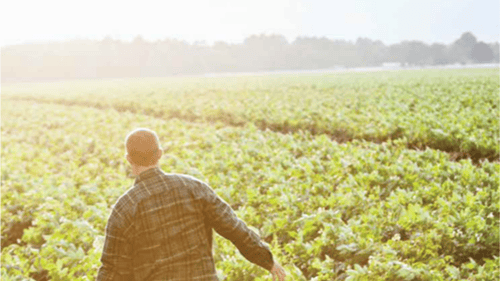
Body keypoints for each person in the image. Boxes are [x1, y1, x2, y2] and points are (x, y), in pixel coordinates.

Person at [97, 128, 286, 281]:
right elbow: (233, 227)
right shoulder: (194, 188)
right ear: (160, 154)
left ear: (128, 158)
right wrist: (267, 261)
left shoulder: (125, 208)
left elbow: (113, 270)